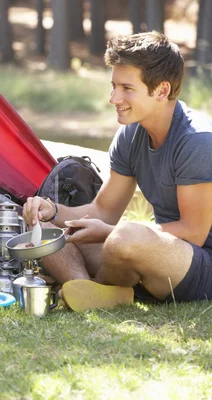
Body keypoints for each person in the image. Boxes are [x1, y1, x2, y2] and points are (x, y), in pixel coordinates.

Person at [23, 31, 212, 311]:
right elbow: (102, 211)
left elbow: (193, 232)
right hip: (149, 254)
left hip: (198, 262)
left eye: (126, 88)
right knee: (45, 230)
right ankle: (85, 288)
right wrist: (51, 211)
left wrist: (110, 233)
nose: (114, 98)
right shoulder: (131, 134)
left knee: (127, 237)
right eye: (113, 86)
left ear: (161, 90)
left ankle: (94, 288)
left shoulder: (197, 140)